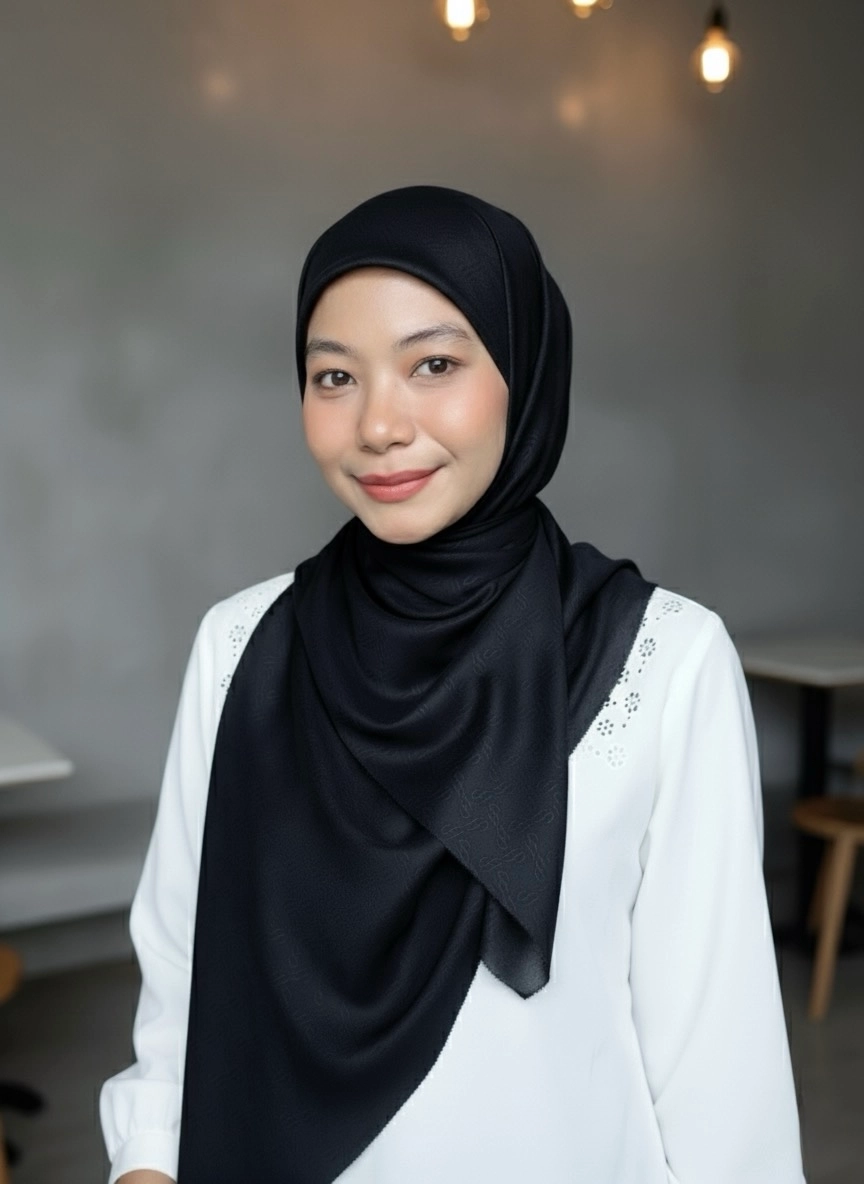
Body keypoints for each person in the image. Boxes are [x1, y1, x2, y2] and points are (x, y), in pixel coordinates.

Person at [100, 186, 806, 1184]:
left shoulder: (664, 660)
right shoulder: (243, 647)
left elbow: (718, 1061)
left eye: (433, 364)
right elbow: (182, 973)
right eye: (334, 376)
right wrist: (146, 1160)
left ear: (524, 369)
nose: (378, 424)